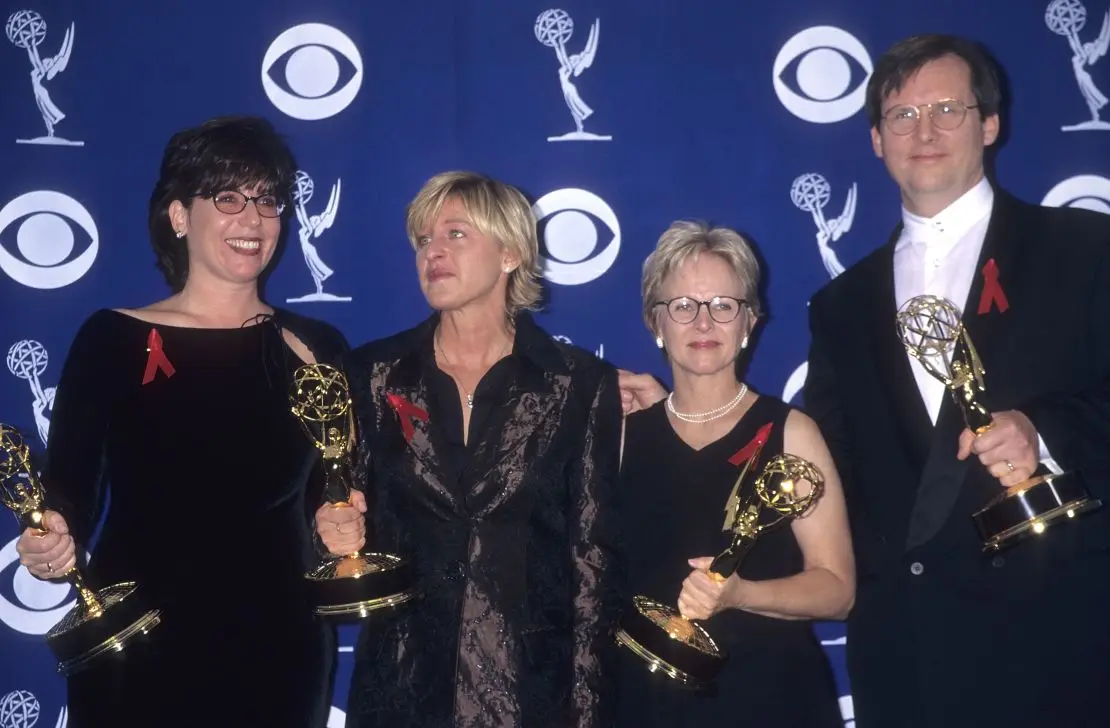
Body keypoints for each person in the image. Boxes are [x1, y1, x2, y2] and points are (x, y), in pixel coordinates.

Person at [802, 35, 1110, 727]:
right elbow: (827, 464)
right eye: (902, 116)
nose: (925, 131)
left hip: (1064, 639)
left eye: (946, 108)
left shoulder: (1086, 250)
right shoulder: (840, 306)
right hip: (909, 655)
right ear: (878, 140)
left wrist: (1043, 429)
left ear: (990, 123)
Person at [14, 116, 346, 728]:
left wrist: (346, 525)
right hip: (138, 646)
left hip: (278, 651)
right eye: (227, 197)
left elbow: (337, 497)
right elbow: (67, 501)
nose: (253, 218)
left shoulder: (316, 346)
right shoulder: (111, 337)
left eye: (268, 199)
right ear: (177, 216)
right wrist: (48, 542)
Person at [315, 171, 624, 728]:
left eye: (455, 234)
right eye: (424, 239)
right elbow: (338, 508)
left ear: (510, 253)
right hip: (402, 690)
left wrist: (587, 712)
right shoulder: (373, 375)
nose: (433, 251)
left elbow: (592, 564)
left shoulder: (578, 383)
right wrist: (331, 528)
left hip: (529, 693)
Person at [614, 220, 852, 728]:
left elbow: (838, 590)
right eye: (683, 306)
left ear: (749, 323)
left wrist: (743, 594)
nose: (704, 324)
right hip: (644, 704)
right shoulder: (619, 438)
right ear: (655, 323)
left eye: (723, 305)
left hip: (771, 700)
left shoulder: (793, 432)